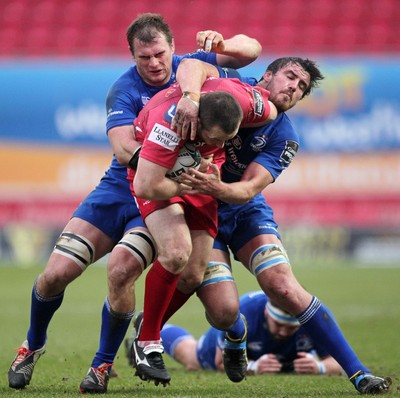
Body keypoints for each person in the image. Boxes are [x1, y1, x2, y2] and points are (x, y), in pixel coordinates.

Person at [7, 12, 262, 393]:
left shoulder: (192, 69)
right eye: (144, 58)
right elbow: (125, 148)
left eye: (160, 54)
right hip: (119, 188)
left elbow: (252, 50)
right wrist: (176, 158)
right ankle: (32, 344)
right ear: (132, 56)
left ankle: (102, 364)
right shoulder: (123, 90)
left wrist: (222, 44)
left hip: (164, 194)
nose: (155, 64)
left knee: (123, 270)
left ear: (173, 49)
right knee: (56, 274)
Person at [171, 57, 392, 394]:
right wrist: (190, 94)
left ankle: (360, 374)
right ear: (268, 75)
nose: (294, 88)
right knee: (223, 312)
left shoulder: (285, 135)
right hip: (202, 210)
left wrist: (216, 187)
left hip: (243, 210)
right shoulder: (231, 82)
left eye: (301, 87)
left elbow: (247, 189)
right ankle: (234, 334)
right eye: (290, 77)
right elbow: (190, 65)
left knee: (283, 287)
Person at [128, 75, 277, 386]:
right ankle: (148, 342)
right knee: (176, 252)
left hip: (198, 178)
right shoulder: (169, 125)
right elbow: (145, 184)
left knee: (194, 274)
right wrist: (183, 182)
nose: (222, 146)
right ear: (196, 124)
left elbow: (273, 110)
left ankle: (153, 329)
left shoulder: (248, 102)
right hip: (157, 176)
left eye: (228, 139)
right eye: (216, 138)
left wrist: (210, 166)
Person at [160, 290, 343, 376]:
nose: (283, 331)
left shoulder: (312, 317)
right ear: (266, 313)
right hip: (233, 350)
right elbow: (220, 362)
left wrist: (320, 367)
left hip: (272, 355)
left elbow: (341, 360)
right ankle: (153, 329)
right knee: (192, 358)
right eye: (278, 324)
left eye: (291, 328)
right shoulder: (244, 312)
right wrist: (253, 366)